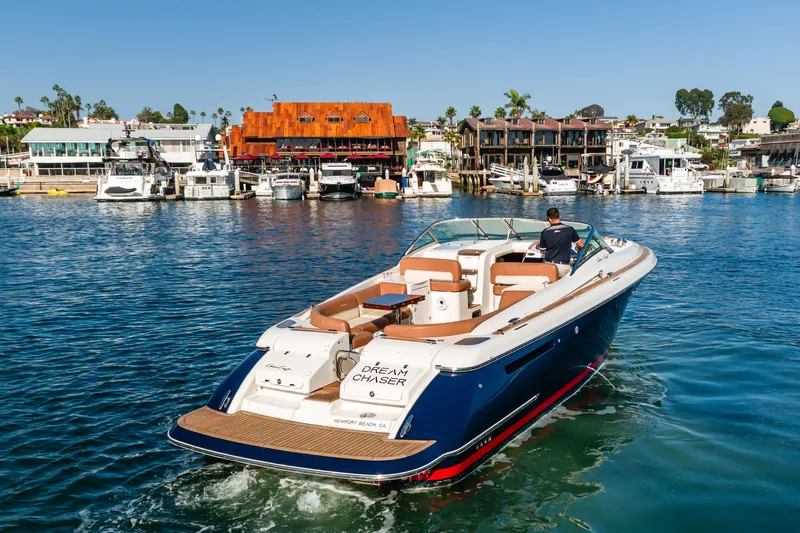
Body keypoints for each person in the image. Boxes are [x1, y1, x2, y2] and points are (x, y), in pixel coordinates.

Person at [538, 207, 584, 279]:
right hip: (564, 266)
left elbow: (542, 251)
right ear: (559, 216)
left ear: (549, 219)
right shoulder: (569, 229)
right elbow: (581, 245)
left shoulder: (545, 232)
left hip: (549, 266)